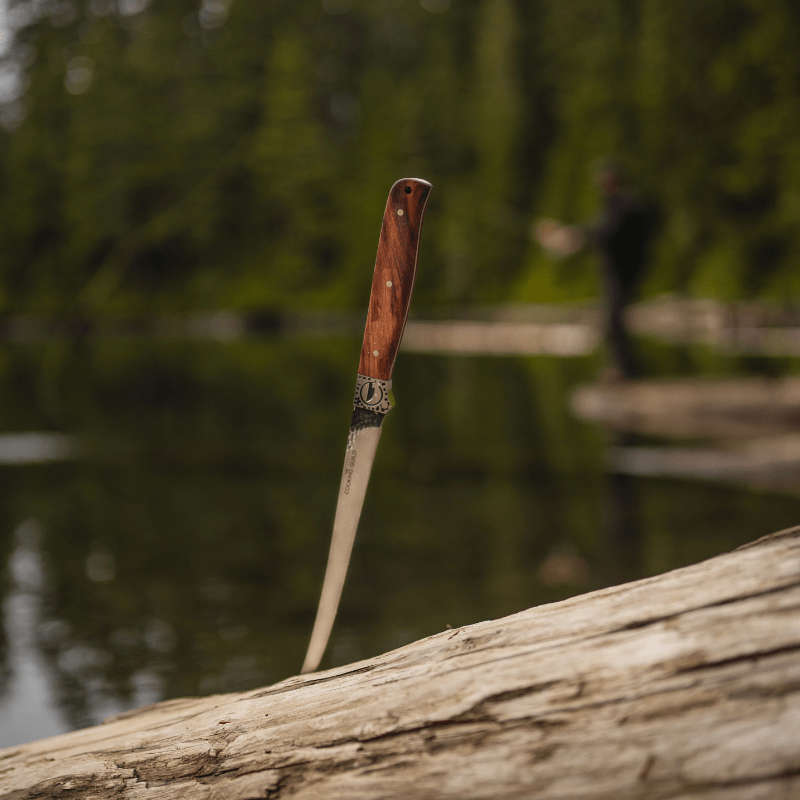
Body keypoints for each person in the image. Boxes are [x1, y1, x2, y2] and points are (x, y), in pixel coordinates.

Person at [534, 159, 659, 379]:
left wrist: (571, 238)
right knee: (614, 320)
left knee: (614, 321)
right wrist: (573, 237)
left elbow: (604, 233)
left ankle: (626, 371)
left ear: (613, 180)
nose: (599, 184)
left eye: (604, 179)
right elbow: (600, 231)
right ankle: (625, 369)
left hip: (623, 270)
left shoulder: (623, 204)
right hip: (623, 269)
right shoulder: (618, 204)